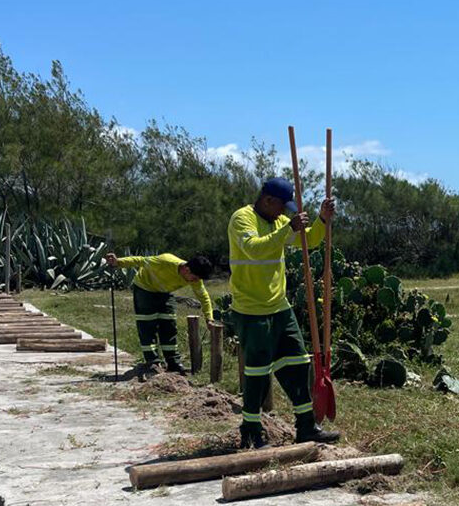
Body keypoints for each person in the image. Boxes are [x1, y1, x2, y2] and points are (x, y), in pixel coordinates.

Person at [227, 177, 339, 448]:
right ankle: (251, 430)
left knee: (298, 364)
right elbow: (254, 249)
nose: (283, 213)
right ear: (268, 200)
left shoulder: (278, 222)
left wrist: (322, 220)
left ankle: (306, 427)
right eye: (281, 207)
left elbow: (309, 240)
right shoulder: (242, 219)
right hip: (251, 309)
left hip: (279, 307)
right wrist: (288, 227)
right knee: (257, 373)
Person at [104, 252, 215, 378]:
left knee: (169, 325)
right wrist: (118, 262)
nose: (195, 281)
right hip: (144, 288)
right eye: (194, 278)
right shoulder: (164, 261)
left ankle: (173, 362)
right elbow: (140, 260)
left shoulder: (196, 279)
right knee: (147, 325)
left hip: (165, 292)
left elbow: (204, 297)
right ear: (186, 269)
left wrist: (209, 318)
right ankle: (152, 362)